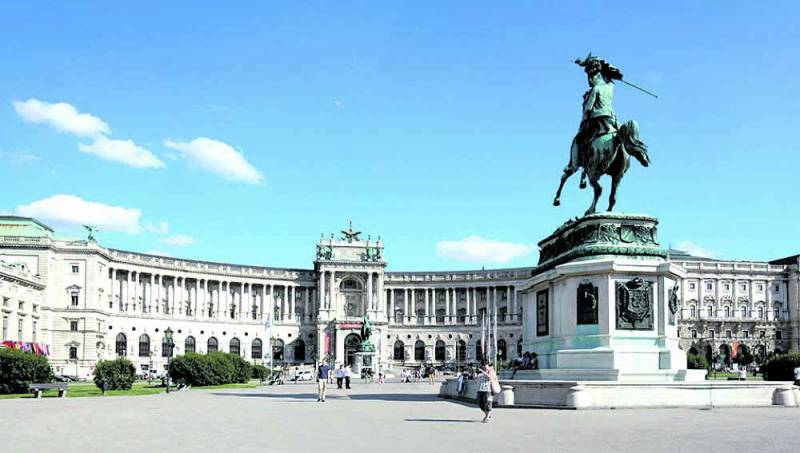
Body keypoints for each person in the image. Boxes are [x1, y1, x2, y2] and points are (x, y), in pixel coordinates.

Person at [476, 359, 499, 423]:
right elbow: (476, 378)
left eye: (485, 365)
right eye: (483, 365)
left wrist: (483, 372)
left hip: (488, 389)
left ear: (487, 364)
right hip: (480, 389)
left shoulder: (491, 370)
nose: (484, 366)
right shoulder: (481, 371)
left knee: (487, 403)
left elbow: (490, 378)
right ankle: (488, 415)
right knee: (481, 404)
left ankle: (487, 417)